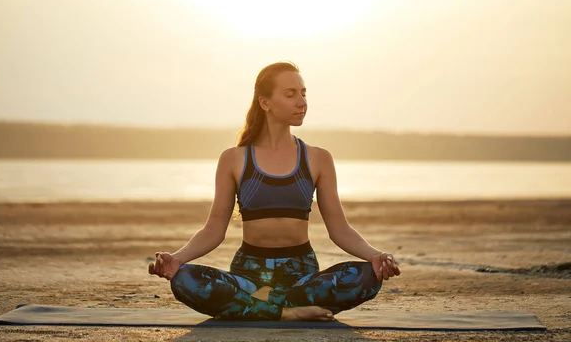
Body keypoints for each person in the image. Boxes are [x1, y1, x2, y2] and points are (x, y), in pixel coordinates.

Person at [148, 61, 400, 321]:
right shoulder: (234, 159)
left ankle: (260, 308)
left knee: (369, 276)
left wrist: (375, 256)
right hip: (248, 277)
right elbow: (213, 230)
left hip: (302, 277)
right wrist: (176, 259)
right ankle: (286, 312)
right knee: (184, 280)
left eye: (303, 93)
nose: (301, 102)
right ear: (265, 102)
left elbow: (340, 230)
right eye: (290, 94)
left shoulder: (318, 158)